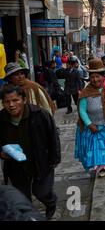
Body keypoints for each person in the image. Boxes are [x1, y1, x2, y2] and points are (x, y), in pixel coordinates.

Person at [0, 85, 61, 220]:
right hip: (16, 167)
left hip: (41, 161)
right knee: (22, 198)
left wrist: (55, 159)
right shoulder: (1, 119)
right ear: (3, 103)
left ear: (24, 100)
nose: (11, 105)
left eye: (15, 100)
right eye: (7, 102)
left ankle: (51, 203)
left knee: (42, 192)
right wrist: (1, 154)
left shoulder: (40, 114)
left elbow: (53, 136)